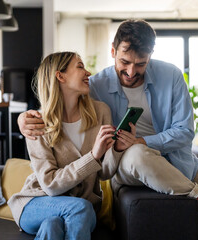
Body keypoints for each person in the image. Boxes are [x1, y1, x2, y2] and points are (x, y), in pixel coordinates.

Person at [17, 20, 198, 240]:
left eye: (140, 64)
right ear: (113, 51)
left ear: (150, 56)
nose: (131, 71)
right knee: (138, 155)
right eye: (124, 62)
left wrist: (142, 141)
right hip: (130, 163)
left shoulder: (171, 76)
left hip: (175, 160)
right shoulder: (96, 86)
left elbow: (184, 131)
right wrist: (23, 119)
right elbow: (58, 104)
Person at [8, 51, 135, 240]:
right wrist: (93, 156)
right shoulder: (37, 123)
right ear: (61, 76)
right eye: (80, 66)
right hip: (37, 203)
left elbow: (104, 173)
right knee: (78, 209)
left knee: (53, 226)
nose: (88, 73)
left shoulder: (100, 112)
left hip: (84, 208)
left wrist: (116, 150)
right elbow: (50, 185)